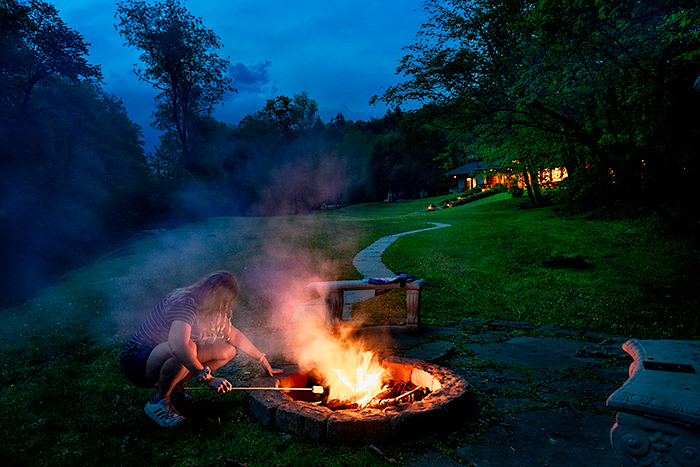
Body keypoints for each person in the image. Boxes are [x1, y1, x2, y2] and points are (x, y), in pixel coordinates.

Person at [120, 270, 281, 427]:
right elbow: (178, 346)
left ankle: (176, 389)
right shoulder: (185, 304)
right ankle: (158, 402)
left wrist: (261, 358)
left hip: (163, 356)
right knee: (188, 347)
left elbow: (234, 336)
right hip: (139, 362)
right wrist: (208, 378)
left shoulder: (212, 310)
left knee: (227, 349)